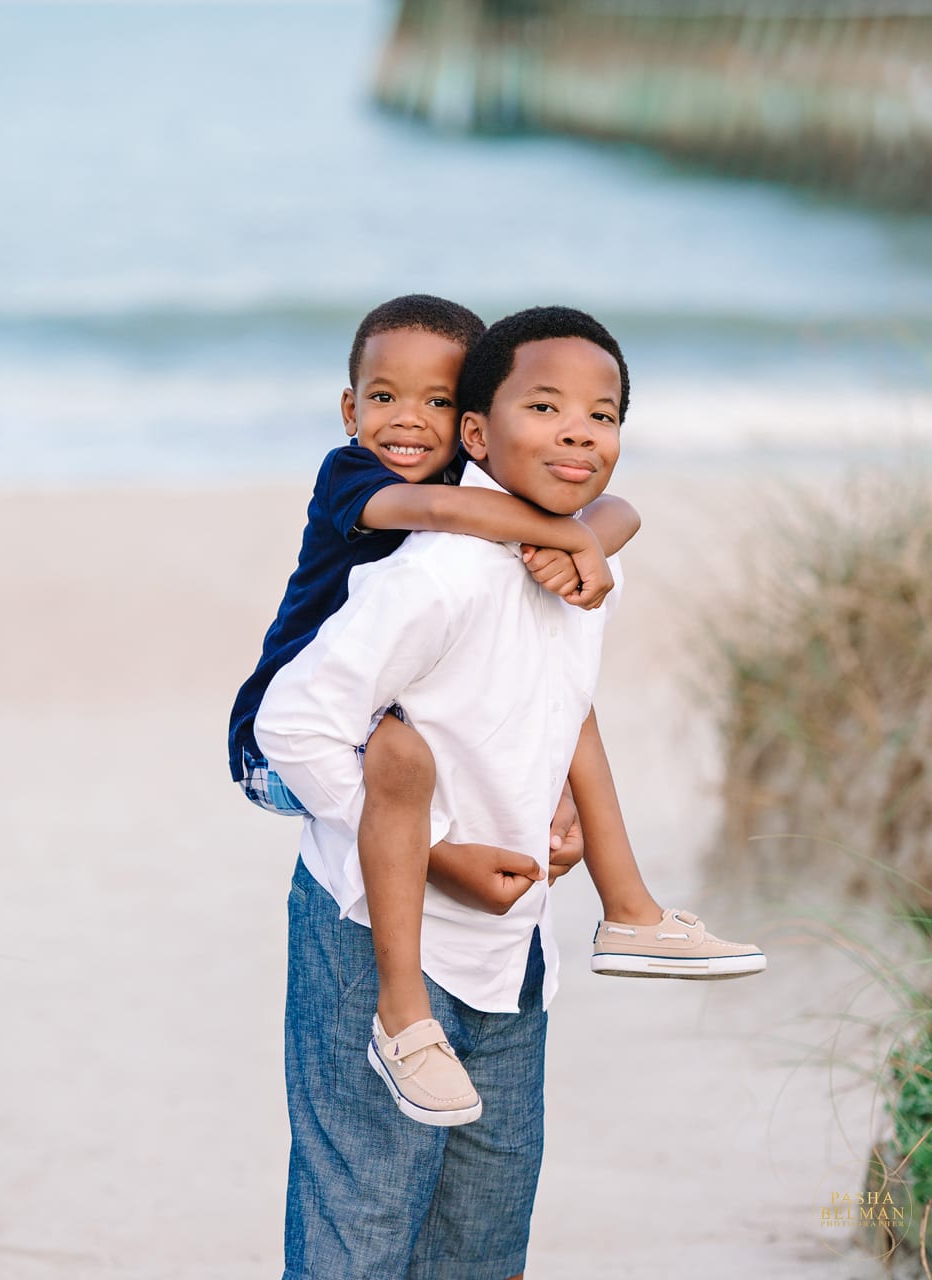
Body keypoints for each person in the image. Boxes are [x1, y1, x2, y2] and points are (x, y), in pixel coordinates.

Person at [255, 306, 766, 1280]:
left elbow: (536, 702)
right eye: (546, 406)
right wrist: (437, 850)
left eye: (603, 413)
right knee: (359, 1237)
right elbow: (290, 726)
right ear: (481, 435)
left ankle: (633, 908)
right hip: (371, 929)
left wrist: (553, 812)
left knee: (483, 1245)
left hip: (510, 947)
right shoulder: (435, 572)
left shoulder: (576, 569)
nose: (580, 430)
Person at [229, 295, 642, 1123]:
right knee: (398, 753)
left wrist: (588, 535)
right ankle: (404, 1003)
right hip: (273, 746)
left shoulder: (472, 483)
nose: (408, 422)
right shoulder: (358, 476)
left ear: (475, 423)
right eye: (383, 398)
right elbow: (449, 513)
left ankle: (631, 902)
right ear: (351, 409)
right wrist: (569, 535)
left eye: (439, 402)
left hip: (372, 710)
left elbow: (624, 509)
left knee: (551, 696)